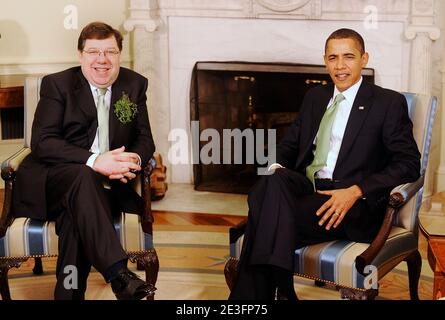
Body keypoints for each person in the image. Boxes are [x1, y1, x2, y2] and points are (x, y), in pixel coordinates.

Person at [229, 28, 421, 300]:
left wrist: (356, 191)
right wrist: (276, 171)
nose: (340, 66)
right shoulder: (315, 97)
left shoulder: (387, 103)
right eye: (332, 58)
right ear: (325, 61)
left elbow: (409, 163)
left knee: (263, 219)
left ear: (364, 58)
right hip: (306, 189)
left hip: (348, 203)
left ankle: (270, 296)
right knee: (271, 182)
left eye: (348, 57)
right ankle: (282, 293)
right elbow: (289, 146)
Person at [12, 22, 156, 300]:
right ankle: (118, 274)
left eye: (110, 52)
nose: (102, 60)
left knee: (76, 218)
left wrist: (131, 160)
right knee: (82, 177)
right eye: (93, 52)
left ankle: (68, 295)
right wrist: (95, 161)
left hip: (108, 189)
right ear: (80, 55)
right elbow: (42, 142)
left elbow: (145, 139)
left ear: (119, 55)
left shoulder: (134, 84)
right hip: (52, 183)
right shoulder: (57, 85)